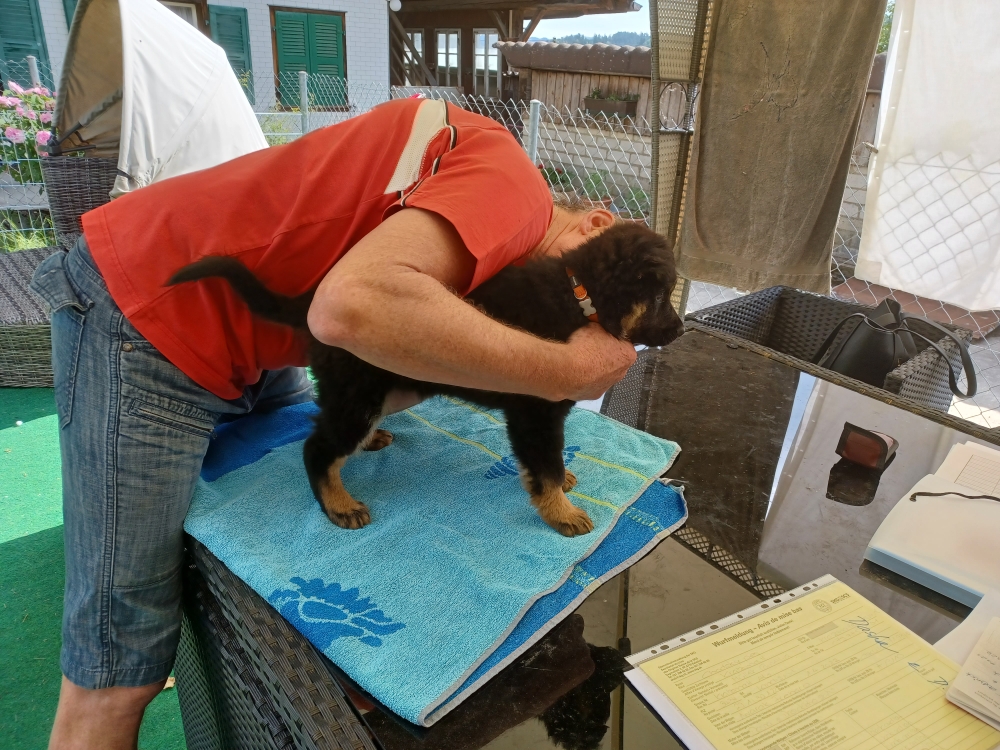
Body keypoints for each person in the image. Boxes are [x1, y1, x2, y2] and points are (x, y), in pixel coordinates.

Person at [31, 96, 638, 750]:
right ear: (594, 225)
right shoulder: (514, 191)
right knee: (117, 665)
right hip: (148, 305)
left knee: (263, 539)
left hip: (258, 340)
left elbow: (387, 359)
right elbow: (350, 308)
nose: (575, 329)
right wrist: (564, 372)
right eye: (589, 311)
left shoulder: (488, 244)